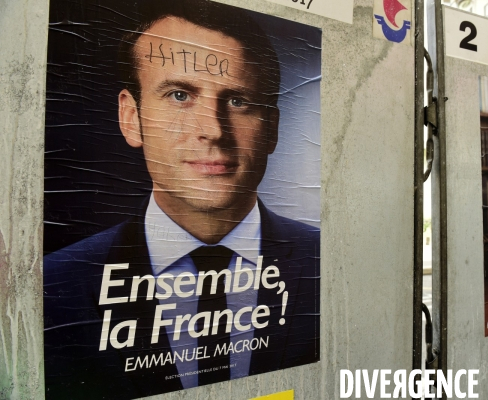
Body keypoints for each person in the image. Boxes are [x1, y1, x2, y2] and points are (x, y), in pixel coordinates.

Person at [43, 2, 320, 399]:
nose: (212, 130)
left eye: (238, 100)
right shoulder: (52, 286)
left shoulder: (329, 263)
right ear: (130, 117)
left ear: (271, 128)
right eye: (179, 95)